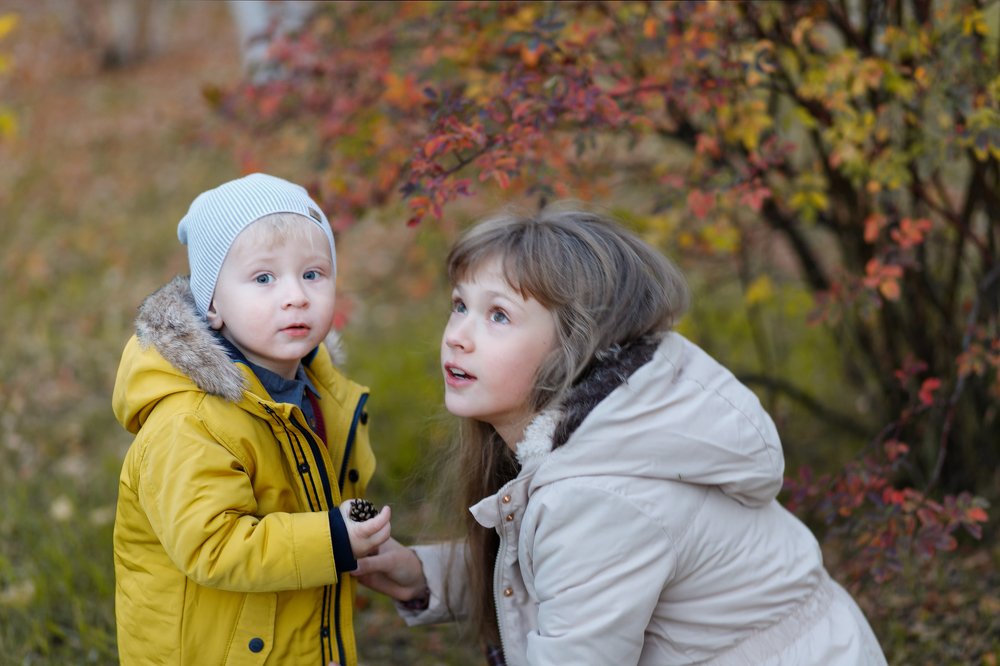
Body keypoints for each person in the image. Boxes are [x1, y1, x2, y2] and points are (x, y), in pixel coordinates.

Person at [352, 205, 887, 665]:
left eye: (498, 315)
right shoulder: (608, 429)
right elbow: (574, 582)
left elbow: (586, 568)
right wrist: (423, 576)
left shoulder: (599, 496)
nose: (459, 337)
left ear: (576, 346)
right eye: (460, 306)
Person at [112, 173, 390, 666]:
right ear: (212, 304)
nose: (296, 296)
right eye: (264, 278)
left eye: (313, 274)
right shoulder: (190, 422)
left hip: (290, 635)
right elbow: (213, 545)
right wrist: (331, 539)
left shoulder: (315, 391)